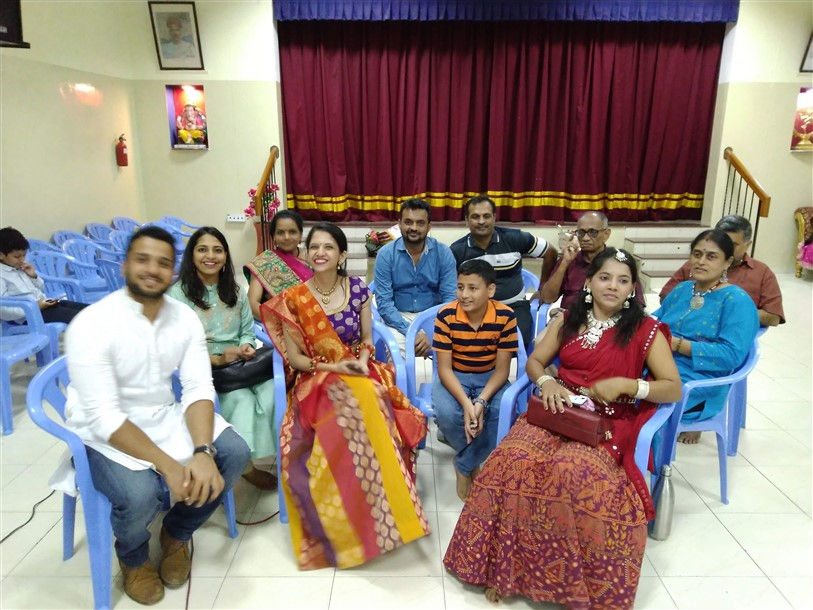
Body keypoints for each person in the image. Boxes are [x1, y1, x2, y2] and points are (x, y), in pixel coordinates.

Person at [444, 247, 682, 608]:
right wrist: (546, 383)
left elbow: (673, 388)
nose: (612, 286)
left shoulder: (645, 331)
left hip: (606, 421)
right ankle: (504, 570)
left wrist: (629, 385)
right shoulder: (569, 319)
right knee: (511, 462)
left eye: (623, 281)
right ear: (589, 282)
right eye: (605, 278)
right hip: (557, 409)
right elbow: (536, 362)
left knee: (569, 473)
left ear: (633, 288)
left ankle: (562, 585)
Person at [64, 226, 250, 605]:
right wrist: (168, 465)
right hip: (102, 430)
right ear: (124, 265)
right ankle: (133, 556)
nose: (152, 269)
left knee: (234, 453)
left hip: (163, 414)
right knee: (140, 493)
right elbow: (103, 416)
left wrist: (202, 451)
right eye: (142, 260)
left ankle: (177, 532)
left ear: (173, 271)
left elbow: (198, 388)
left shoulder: (183, 318)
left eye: (163, 263)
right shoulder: (92, 322)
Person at [261, 222, 429, 570]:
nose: (320, 253)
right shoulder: (294, 298)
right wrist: (336, 368)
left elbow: (367, 338)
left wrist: (363, 361)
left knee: (374, 400)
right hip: (317, 377)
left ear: (341, 255)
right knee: (349, 413)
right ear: (307, 254)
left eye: (328, 247)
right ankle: (347, 526)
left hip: (358, 367)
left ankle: (389, 511)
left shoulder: (357, 289)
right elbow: (297, 360)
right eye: (314, 247)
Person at [168, 227, 277, 490]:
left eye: (218, 250)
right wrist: (217, 359)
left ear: (226, 256)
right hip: (202, 368)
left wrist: (245, 346)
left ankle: (259, 455)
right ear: (192, 255)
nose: (210, 256)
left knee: (271, 392)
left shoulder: (235, 290)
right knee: (241, 399)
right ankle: (245, 467)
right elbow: (176, 349)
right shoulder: (177, 295)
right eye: (202, 249)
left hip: (240, 364)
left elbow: (247, 331)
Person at [654, 229, 759, 444]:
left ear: (727, 262)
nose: (701, 261)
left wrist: (679, 345)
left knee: (638, 398)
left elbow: (731, 355)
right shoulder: (683, 289)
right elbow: (656, 320)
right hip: (660, 363)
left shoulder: (736, 300)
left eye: (711, 256)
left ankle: (648, 460)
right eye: (697, 254)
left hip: (700, 380)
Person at [431, 259, 518, 501]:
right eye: (460, 287)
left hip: (489, 376)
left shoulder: (505, 316)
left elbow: (502, 370)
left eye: (472, 288)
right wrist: (467, 405)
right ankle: (473, 457)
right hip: (454, 375)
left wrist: (480, 402)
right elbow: (444, 369)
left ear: (490, 290)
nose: (464, 295)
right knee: (448, 413)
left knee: (502, 411)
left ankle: (464, 464)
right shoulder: (446, 315)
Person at [449, 195, 557, 346]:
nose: (481, 221)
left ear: (494, 217)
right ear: (467, 220)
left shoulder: (516, 238)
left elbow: (550, 252)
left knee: (514, 342)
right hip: (475, 310)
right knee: (471, 345)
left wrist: (542, 287)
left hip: (514, 307)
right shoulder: (457, 250)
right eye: (475, 217)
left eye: (486, 216)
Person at [659, 215, 785, 327]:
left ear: (748, 245)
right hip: (685, 327)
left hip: (735, 334)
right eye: (721, 243)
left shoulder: (761, 272)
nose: (726, 248)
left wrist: (726, 312)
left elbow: (773, 317)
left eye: (733, 245)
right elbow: (666, 298)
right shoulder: (698, 265)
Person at [373, 198, 457, 355]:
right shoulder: (386, 254)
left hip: (434, 317)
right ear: (399, 224)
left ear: (429, 226)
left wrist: (432, 328)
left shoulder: (443, 253)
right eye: (408, 222)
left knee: (456, 351)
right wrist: (411, 331)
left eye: (420, 223)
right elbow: (384, 303)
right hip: (398, 318)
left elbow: (450, 299)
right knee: (395, 354)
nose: (414, 228)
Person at [540, 211, 645, 314]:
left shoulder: (619, 262)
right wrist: (565, 262)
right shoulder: (570, 260)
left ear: (606, 234)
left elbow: (638, 306)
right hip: (571, 319)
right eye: (581, 233)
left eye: (592, 232)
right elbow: (547, 298)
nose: (585, 238)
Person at [0, 226, 86, 324]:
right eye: (17, 256)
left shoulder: (19, 268)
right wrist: (35, 307)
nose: (22, 259)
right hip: (30, 316)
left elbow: (40, 288)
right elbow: (3, 309)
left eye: (24, 255)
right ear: (1, 255)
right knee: (81, 318)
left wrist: (33, 276)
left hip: (45, 305)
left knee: (88, 310)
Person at [244, 209, 313, 320]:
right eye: (280, 233)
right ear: (274, 237)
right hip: (279, 323)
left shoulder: (313, 258)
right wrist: (281, 323)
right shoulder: (264, 262)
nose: (286, 237)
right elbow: (252, 303)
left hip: (316, 320)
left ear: (300, 235)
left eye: (292, 232)